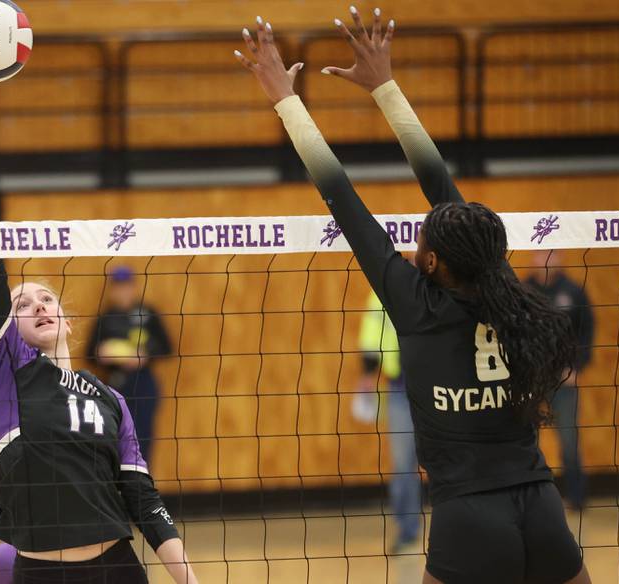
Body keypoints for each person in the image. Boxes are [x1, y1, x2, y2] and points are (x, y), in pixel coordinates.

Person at [235, 8, 590, 584]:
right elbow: (439, 185)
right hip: (539, 501)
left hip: (468, 515)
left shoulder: (415, 302)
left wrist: (285, 99)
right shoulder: (502, 282)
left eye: (424, 236)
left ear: (431, 261)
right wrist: (385, 88)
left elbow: (340, 196)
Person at [0, 96, 198, 584]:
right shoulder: (9, 373)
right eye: (21, 305)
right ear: (5, 331)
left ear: (68, 320)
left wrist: (188, 578)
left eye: (47, 298)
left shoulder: (111, 399)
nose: (36, 305)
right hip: (43, 573)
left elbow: (142, 496)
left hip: (119, 569)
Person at [353, 290, 421, 553]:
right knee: (403, 463)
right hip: (400, 388)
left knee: (449, 458)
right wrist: (368, 374)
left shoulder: (439, 280)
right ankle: (407, 531)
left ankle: (456, 529)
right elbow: (372, 333)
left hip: (439, 387)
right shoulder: (382, 288)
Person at [526, 251, 594, 510]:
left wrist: (577, 367)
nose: (545, 259)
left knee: (568, 440)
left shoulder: (573, 291)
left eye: (551, 254)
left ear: (561, 257)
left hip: (564, 379)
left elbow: (587, 330)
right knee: (528, 441)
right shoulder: (524, 290)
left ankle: (576, 499)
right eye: (540, 253)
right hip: (532, 379)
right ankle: (531, 500)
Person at [88, 266, 172, 463]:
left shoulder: (148, 314)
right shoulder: (105, 319)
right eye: (118, 287)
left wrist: (145, 356)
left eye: (126, 286)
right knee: (116, 436)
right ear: (112, 290)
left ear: (134, 288)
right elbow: (89, 354)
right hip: (115, 384)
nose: (122, 291)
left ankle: (142, 485)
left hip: (144, 382)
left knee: (143, 437)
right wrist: (102, 354)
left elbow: (167, 348)